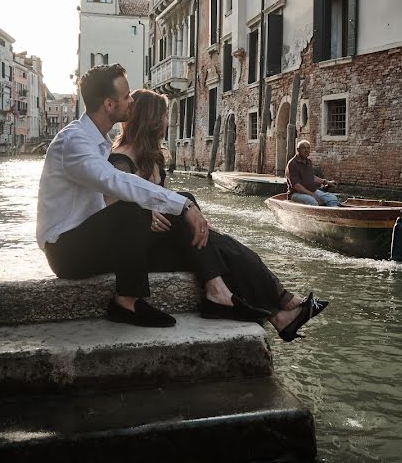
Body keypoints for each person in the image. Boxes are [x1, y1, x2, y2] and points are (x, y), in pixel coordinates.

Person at [109, 89, 328, 341]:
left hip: (169, 239)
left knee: (223, 245)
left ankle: (280, 314)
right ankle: (279, 303)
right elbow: (114, 210)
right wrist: (147, 213)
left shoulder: (154, 158)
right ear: (151, 119)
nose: (168, 122)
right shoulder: (121, 159)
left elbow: (166, 201)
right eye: (165, 116)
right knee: (207, 227)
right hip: (142, 251)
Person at [37, 64, 244, 329]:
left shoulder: (98, 140)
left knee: (184, 203)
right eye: (126, 97)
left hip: (95, 241)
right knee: (135, 208)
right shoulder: (74, 142)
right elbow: (116, 181)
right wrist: (182, 207)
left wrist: (182, 203)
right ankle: (127, 303)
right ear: (110, 104)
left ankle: (217, 291)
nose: (132, 100)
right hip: (66, 251)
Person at [285, 140, 340, 206]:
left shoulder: (308, 162)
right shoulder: (292, 164)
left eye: (308, 148)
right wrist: (312, 195)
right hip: (296, 194)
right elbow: (296, 186)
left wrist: (326, 182)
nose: (306, 150)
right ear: (298, 150)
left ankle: (331, 214)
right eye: (304, 148)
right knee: (312, 201)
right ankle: (317, 215)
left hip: (312, 191)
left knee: (332, 198)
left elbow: (312, 177)